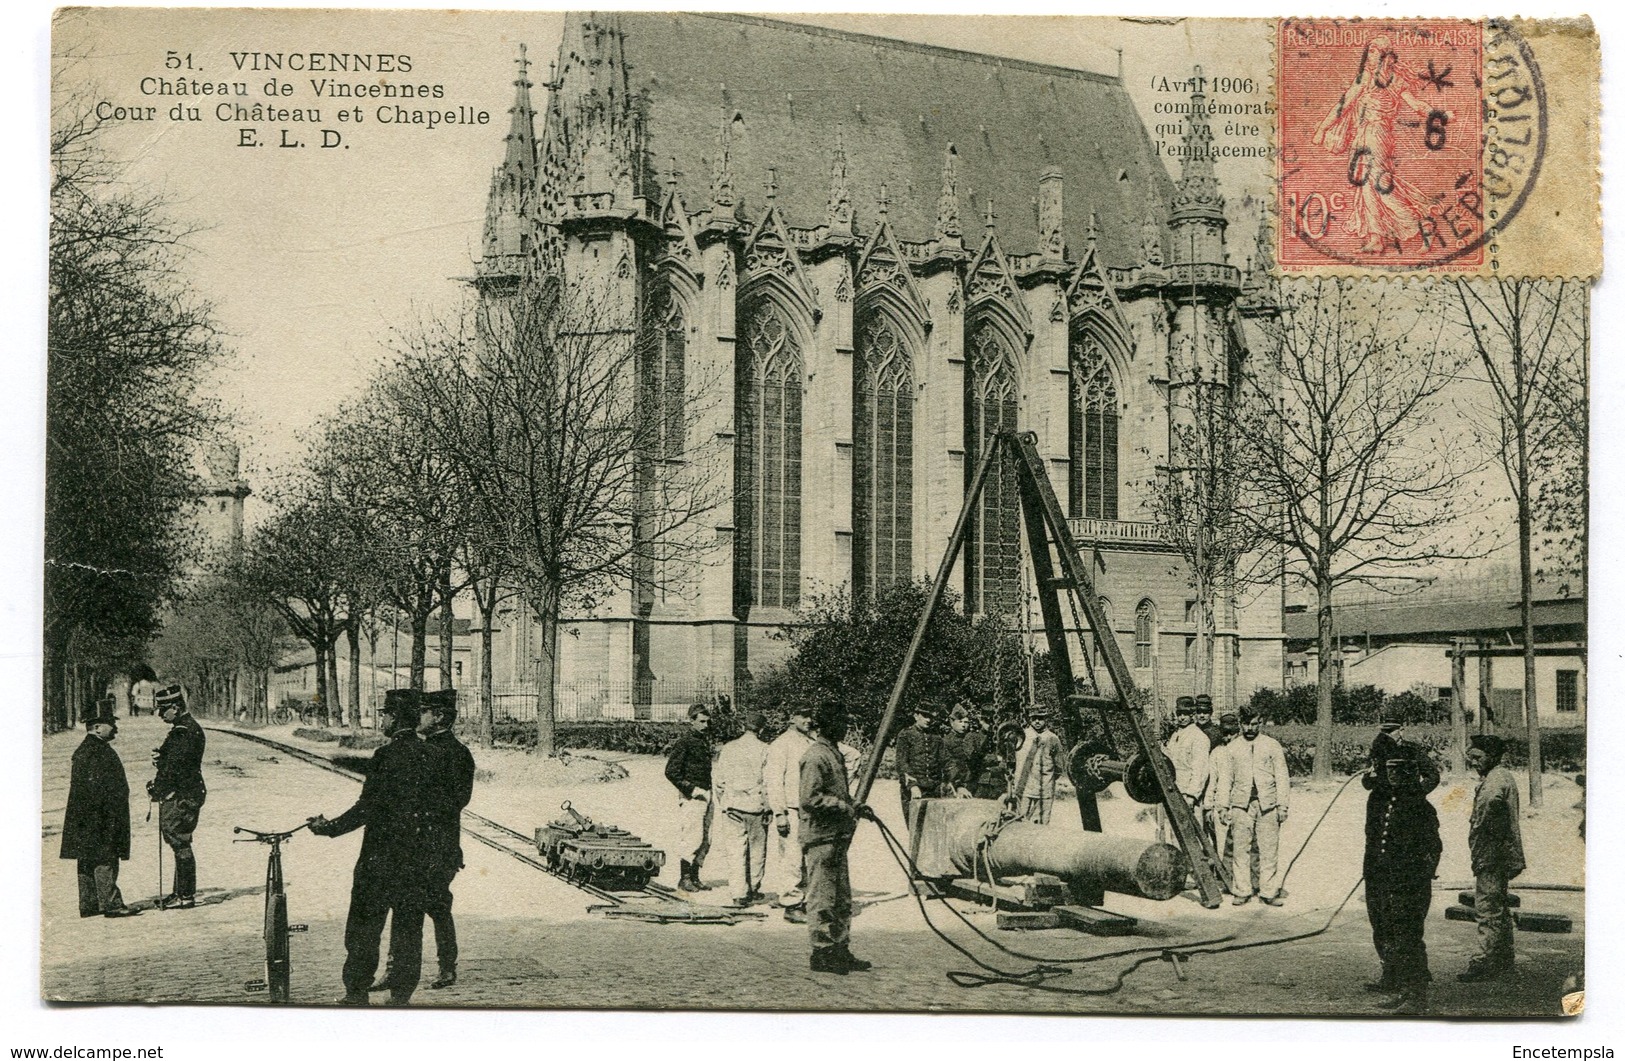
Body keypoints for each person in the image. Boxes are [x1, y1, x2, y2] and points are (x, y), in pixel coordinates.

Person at [308, 690, 429, 1006]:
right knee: (408, 930)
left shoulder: (385, 757)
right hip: (416, 861)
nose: (383, 719)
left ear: (395, 718)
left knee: (363, 928)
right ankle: (401, 996)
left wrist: (329, 828)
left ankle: (356, 993)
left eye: (386, 714)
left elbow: (366, 808)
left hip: (380, 859)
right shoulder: (432, 756)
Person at [1311, 34, 1441, 254]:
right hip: (1372, 135)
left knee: (1380, 185)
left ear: (1382, 56)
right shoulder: (1393, 81)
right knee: (1367, 186)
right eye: (1369, 50)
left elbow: (1343, 106)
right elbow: (1417, 105)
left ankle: (1422, 223)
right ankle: (1376, 238)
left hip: (1374, 135)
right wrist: (1438, 115)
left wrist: (1322, 129)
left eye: (1372, 51)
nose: (1368, 55)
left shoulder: (1368, 79)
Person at [1362, 737, 1443, 1014]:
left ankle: (1416, 996)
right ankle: (1399, 983)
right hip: (1381, 877)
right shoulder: (1379, 799)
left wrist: (1416, 878)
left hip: (1408, 884)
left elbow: (1433, 848)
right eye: (1389, 769)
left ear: (1409, 771)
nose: (1392, 774)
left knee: (1408, 937)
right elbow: (1372, 839)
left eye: (1399, 770)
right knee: (1384, 927)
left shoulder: (1419, 805)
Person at [801, 701, 870, 975]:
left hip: (836, 836)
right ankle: (822, 952)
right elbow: (809, 798)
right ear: (828, 724)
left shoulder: (833, 754)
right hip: (821, 837)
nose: (845, 728)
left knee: (841, 899)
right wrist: (844, 807)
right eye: (840, 722)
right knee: (822, 898)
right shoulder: (816, 756)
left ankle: (840, 949)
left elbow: (838, 793)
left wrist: (855, 804)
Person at [414, 688, 474, 990]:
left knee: (433, 907)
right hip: (442, 846)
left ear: (439, 717)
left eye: (424, 711)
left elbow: (456, 800)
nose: (419, 716)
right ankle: (442, 968)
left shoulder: (451, 753)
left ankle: (444, 968)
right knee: (433, 908)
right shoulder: (457, 752)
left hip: (435, 846)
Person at [60, 701, 141, 918]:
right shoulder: (98, 752)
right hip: (102, 816)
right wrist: (108, 817)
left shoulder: (86, 749)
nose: (115, 728)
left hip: (84, 816)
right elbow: (99, 790)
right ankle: (111, 904)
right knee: (105, 857)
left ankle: (89, 904)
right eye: (110, 724)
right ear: (97, 727)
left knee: (86, 858)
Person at [1460, 734, 1526, 983]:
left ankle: (1483, 963)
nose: (1474, 762)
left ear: (1492, 757)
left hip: (1492, 856)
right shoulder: (1499, 777)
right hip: (1497, 855)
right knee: (1499, 908)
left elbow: (1488, 820)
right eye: (1471, 758)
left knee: (1487, 910)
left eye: (1478, 757)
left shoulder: (1494, 783)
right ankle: (1502, 961)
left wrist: (1485, 855)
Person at [1212, 707, 1291, 905]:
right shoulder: (1232, 748)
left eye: (1254, 724)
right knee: (1240, 849)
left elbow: (1282, 777)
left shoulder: (1272, 746)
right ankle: (1242, 890)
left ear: (1260, 723)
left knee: (1268, 849)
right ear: (1241, 724)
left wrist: (1283, 806)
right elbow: (1225, 780)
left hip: (1268, 804)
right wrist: (1222, 807)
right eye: (1246, 724)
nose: (1250, 728)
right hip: (1241, 804)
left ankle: (1269, 892)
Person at [149, 684, 206, 910]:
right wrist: (163, 757)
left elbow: (175, 768)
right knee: (179, 840)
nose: (161, 714)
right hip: (188, 791)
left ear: (175, 707)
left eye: (163, 710)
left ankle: (185, 895)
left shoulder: (183, 730)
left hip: (182, 794)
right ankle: (180, 892)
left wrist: (158, 788)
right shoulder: (186, 728)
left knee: (179, 840)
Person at [713, 711, 772, 906]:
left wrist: (725, 799)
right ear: (761, 729)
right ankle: (753, 888)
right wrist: (768, 807)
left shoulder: (729, 748)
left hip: (732, 805)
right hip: (755, 806)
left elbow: (719, 780)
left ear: (743, 727)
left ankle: (738, 893)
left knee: (735, 850)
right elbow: (768, 782)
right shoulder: (765, 749)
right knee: (757, 849)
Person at [764, 704, 814, 910]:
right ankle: (791, 902)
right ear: (792, 718)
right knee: (791, 858)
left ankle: (805, 899)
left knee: (808, 857)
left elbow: (851, 755)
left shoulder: (811, 742)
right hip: (791, 810)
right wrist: (779, 813)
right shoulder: (781, 744)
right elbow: (773, 781)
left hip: (811, 809)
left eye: (809, 716)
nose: (808, 720)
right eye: (803, 716)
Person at [665, 703, 715, 892]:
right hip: (692, 797)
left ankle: (695, 876)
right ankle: (684, 878)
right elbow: (671, 771)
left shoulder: (703, 740)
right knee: (691, 837)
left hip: (707, 794)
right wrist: (692, 790)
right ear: (691, 721)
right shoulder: (685, 741)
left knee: (706, 838)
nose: (706, 725)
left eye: (707, 721)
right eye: (701, 721)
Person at [893, 706, 947, 824]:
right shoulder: (906, 735)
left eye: (931, 717)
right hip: (914, 790)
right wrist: (913, 786)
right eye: (925, 716)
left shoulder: (936, 737)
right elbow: (901, 763)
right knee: (915, 828)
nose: (928, 720)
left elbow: (945, 761)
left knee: (934, 828)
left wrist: (954, 783)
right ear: (916, 716)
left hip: (933, 790)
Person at [1164, 696, 1210, 826]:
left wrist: (1192, 796)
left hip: (1188, 794)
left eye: (1186, 714)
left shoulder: (1199, 737)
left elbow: (1200, 770)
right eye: (1179, 714)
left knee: (1191, 834)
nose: (1182, 717)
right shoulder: (1176, 735)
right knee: (1174, 834)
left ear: (1193, 715)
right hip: (1173, 790)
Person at [1015, 705, 1065, 824]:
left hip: (1044, 787)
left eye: (1040, 718)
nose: (1037, 721)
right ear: (1030, 719)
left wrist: (1048, 777)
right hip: (1024, 786)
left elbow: (1059, 766)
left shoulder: (1053, 739)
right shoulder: (1021, 735)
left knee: (1041, 822)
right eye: (1034, 718)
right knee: (1019, 820)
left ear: (1046, 719)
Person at [942, 703, 986, 799]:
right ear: (951, 722)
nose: (963, 725)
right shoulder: (946, 741)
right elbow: (949, 765)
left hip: (974, 783)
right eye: (960, 721)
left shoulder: (973, 738)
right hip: (955, 785)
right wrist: (958, 785)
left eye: (966, 722)